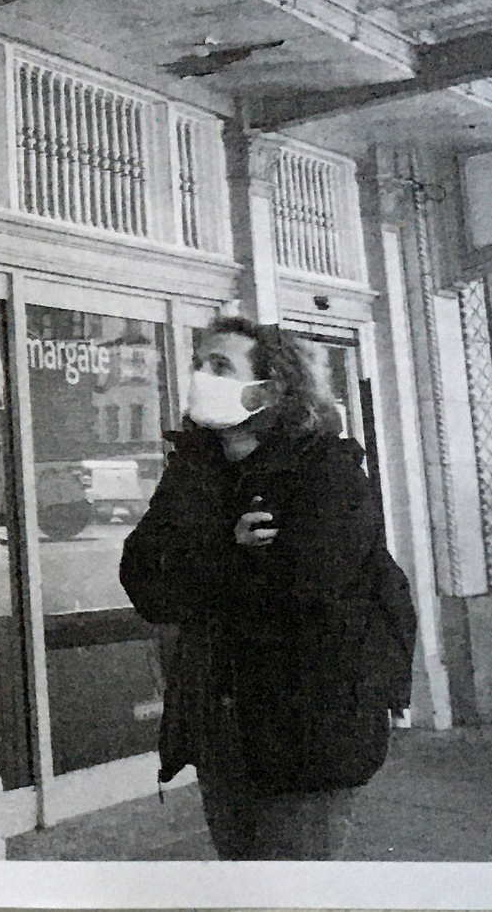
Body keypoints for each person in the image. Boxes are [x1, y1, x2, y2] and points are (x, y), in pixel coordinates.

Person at [119, 316, 393, 860]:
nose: (201, 375)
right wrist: (231, 553)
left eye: (221, 365)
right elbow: (142, 578)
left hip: (309, 731)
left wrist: (201, 573)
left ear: (270, 389)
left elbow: (303, 591)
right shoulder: (192, 471)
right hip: (221, 732)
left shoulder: (328, 470)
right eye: (199, 364)